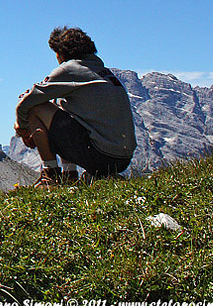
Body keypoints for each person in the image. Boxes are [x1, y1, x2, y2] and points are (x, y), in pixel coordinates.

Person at [14, 26, 136, 187]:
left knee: (36, 108)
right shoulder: (102, 71)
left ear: (61, 53)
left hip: (101, 156)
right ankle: (69, 174)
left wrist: (22, 127)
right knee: (62, 104)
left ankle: (51, 176)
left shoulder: (71, 69)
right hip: (122, 159)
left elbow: (28, 101)